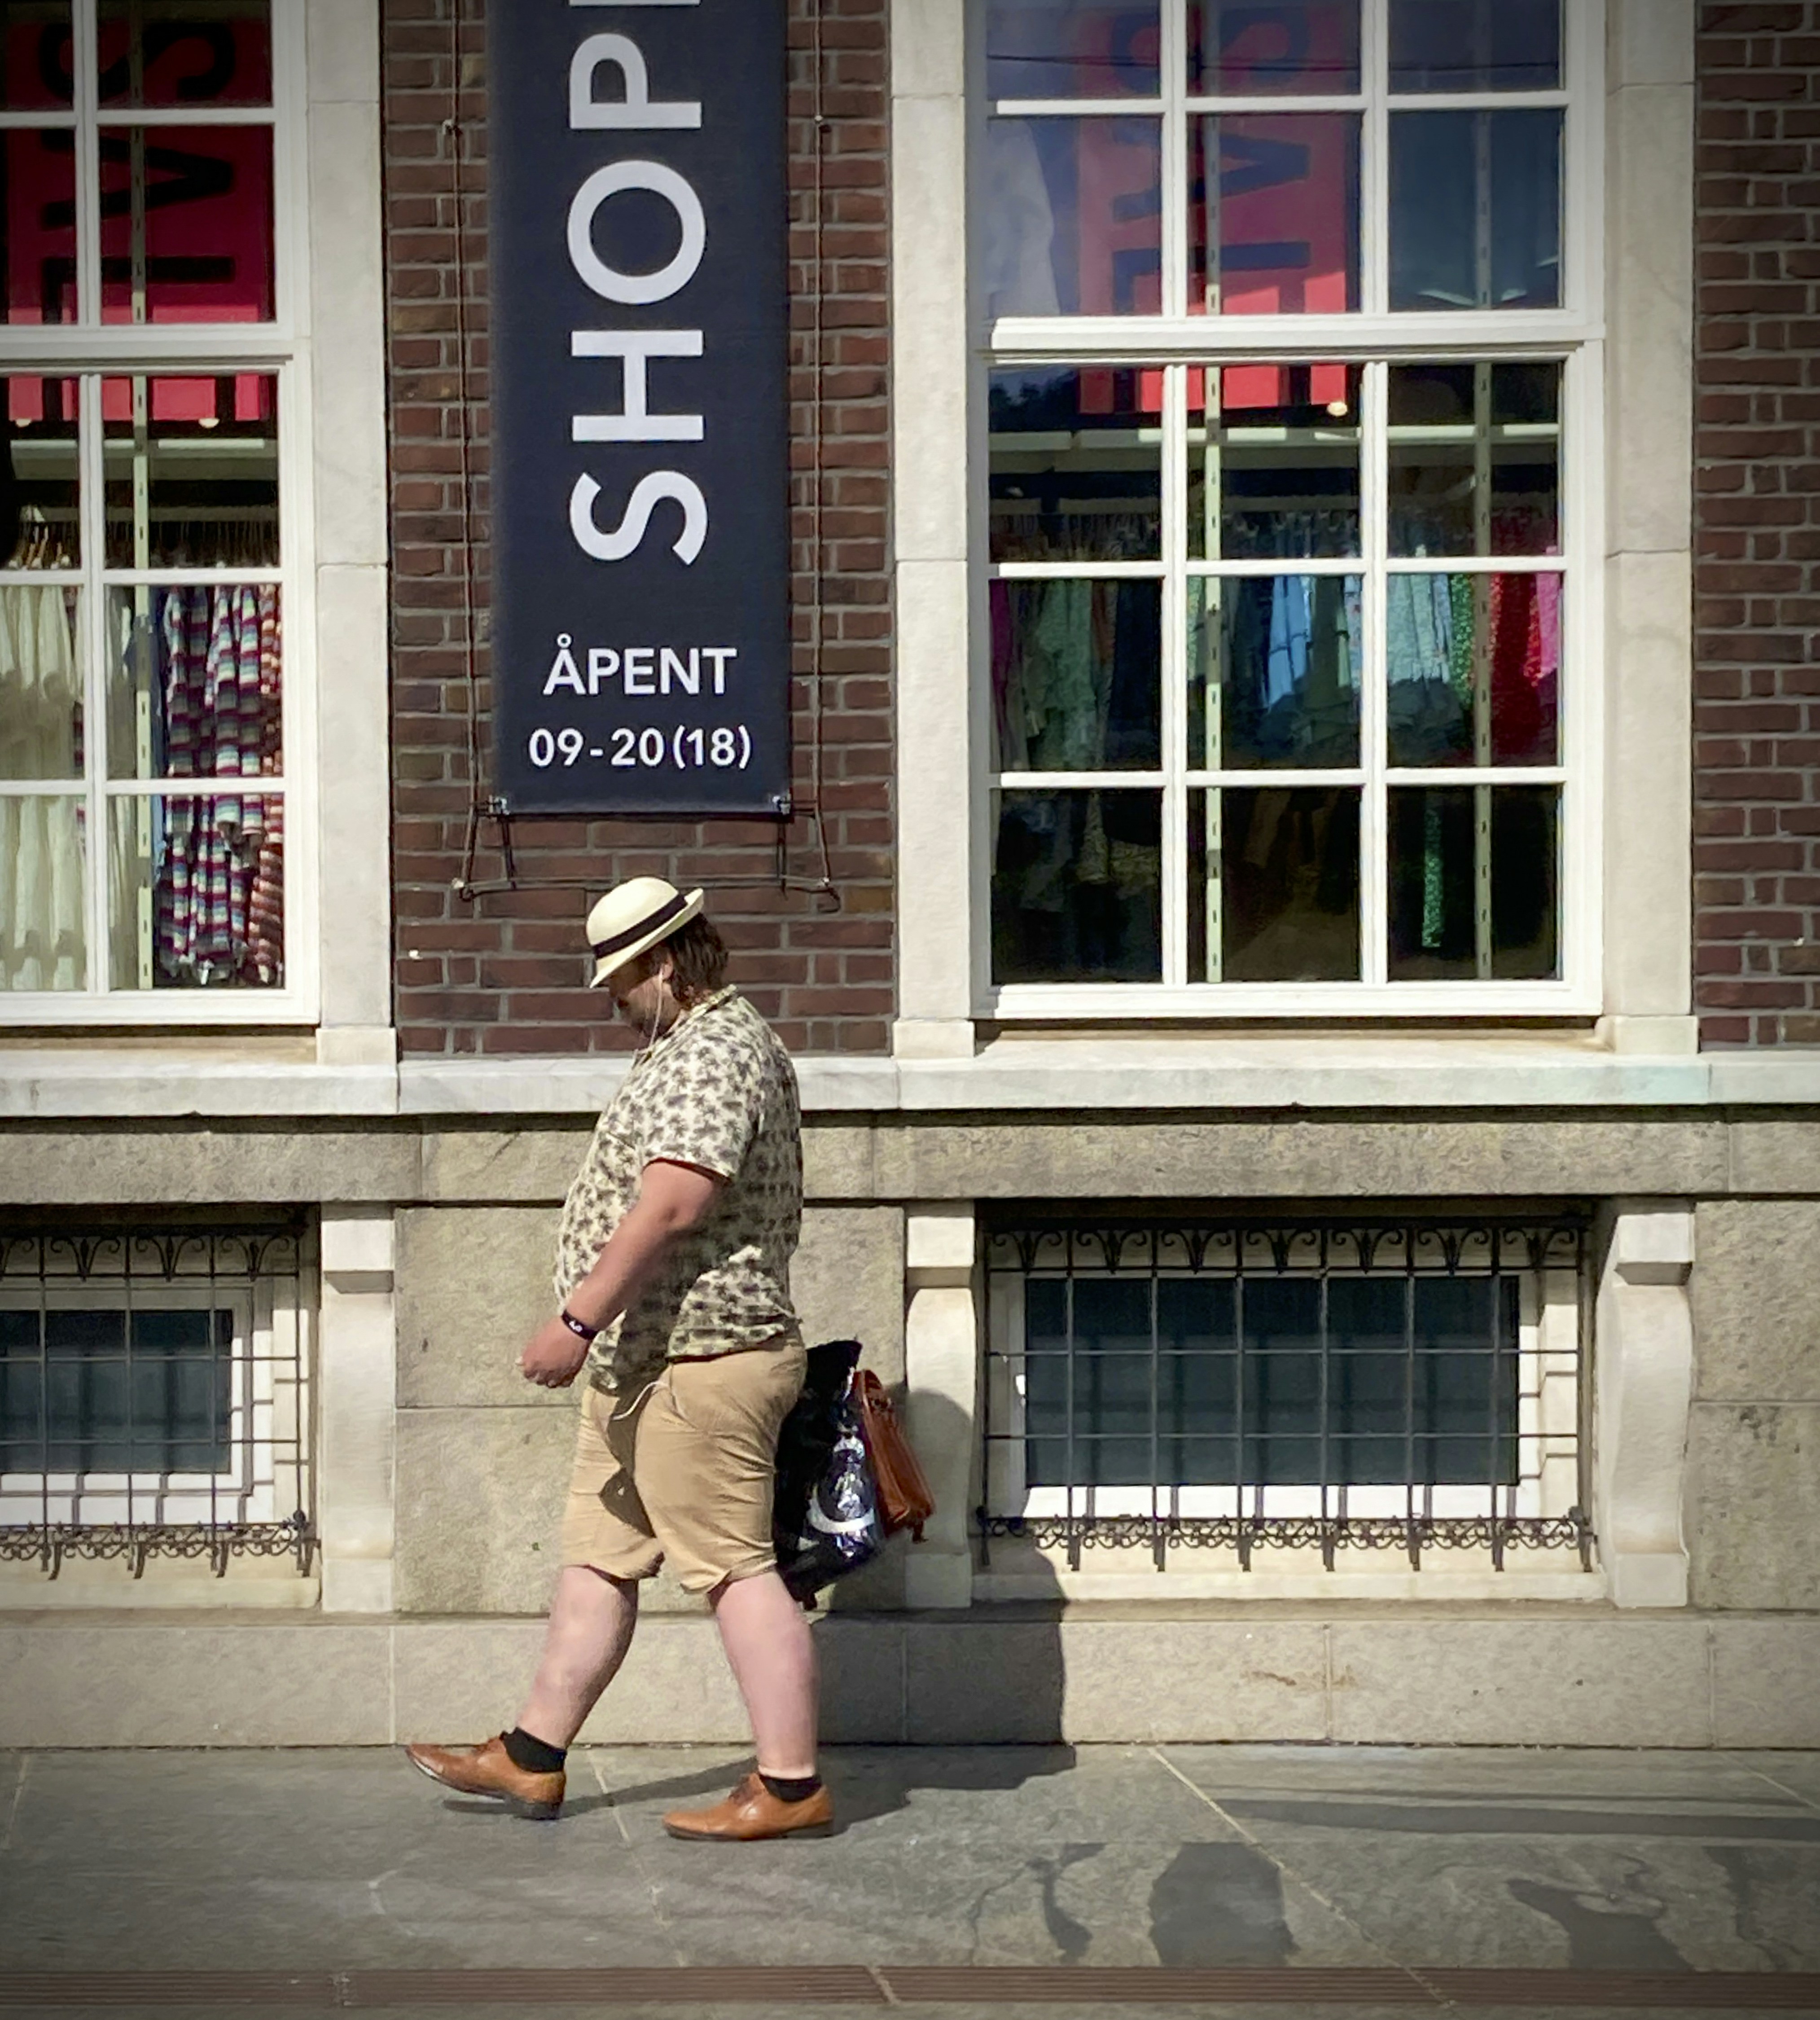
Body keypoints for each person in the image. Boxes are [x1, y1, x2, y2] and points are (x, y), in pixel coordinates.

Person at [405, 876, 829, 1841]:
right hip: (647, 1363)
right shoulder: (689, 1043)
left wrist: (578, 1320)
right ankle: (533, 1755)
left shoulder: (716, 1050)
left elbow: (677, 1200)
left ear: (665, 963)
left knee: (736, 1572)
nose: (611, 999)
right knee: (599, 1558)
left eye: (620, 980)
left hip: (700, 1357)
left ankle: (791, 1787)